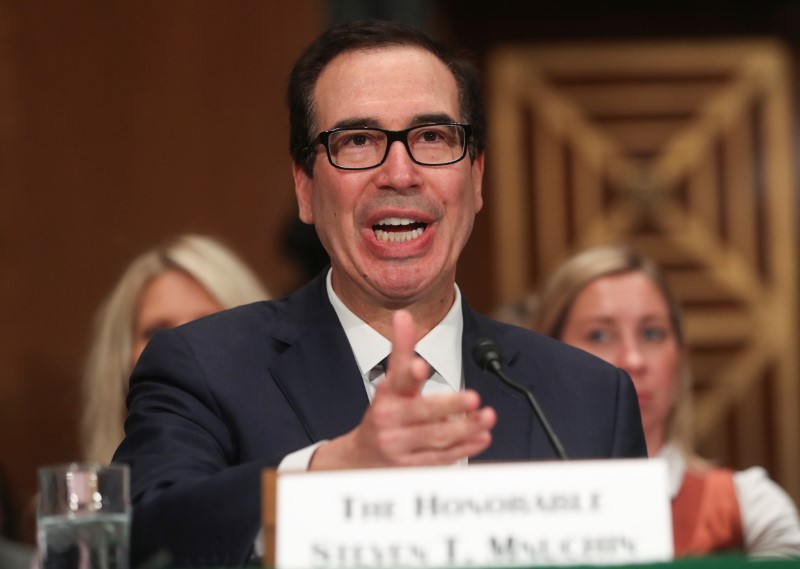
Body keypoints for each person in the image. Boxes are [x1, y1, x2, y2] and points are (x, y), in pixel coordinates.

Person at [113, 21, 647, 567]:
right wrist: (325, 473)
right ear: (304, 186)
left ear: (477, 176)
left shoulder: (591, 400)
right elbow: (141, 541)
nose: (400, 173)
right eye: (359, 140)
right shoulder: (204, 368)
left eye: (433, 137)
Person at [532, 244, 800, 558]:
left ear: (680, 358)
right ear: (546, 356)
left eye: (652, 334)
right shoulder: (507, 507)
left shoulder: (748, 508)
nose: (633, 360)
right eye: (600, 336)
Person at [81, 233, 270, 464]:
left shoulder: (305, 478)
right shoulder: (72, 499)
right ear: (120, 360)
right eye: (157, 334)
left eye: (205, 326)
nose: (180, 352)